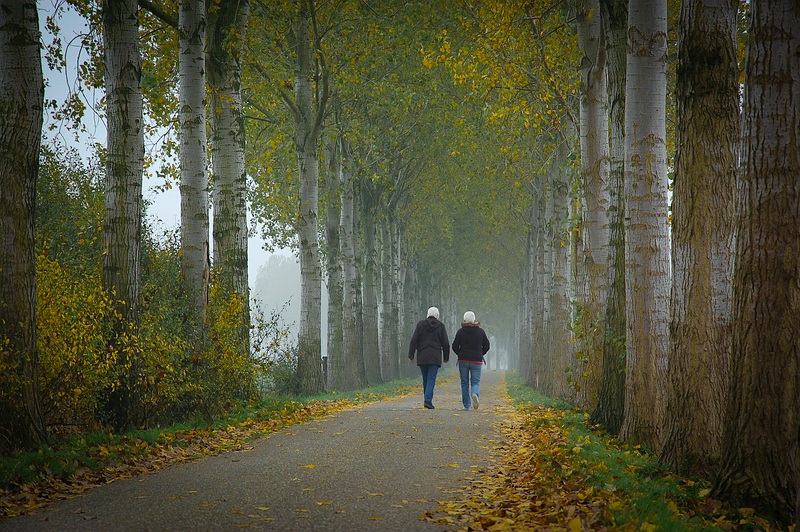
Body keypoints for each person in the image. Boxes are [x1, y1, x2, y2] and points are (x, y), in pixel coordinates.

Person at [408, 306, 450, 409]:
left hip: (422, 356)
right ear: (437, 316)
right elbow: (445, 343)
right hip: (435, 357)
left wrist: (411, 355)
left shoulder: (420, 325)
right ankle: (427, 400)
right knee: (431, 379)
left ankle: (427, 399)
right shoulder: (441, 326)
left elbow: (414, 340)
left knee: (425, 379)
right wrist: (446, 357)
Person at [451, 311, 490, 410]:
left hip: (463, 360)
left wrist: (460, 353)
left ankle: (466, 405)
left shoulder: (461, 332)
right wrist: (481, 353)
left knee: (464, 383)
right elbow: (487, 345)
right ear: (474, 320)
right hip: (476, 360)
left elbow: (454, 346)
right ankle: (474, 393)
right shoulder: (480, 332)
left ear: (464, 320)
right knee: (475, 382)